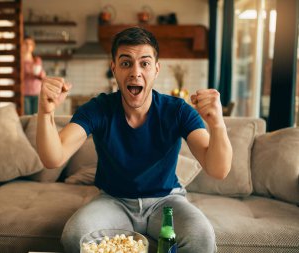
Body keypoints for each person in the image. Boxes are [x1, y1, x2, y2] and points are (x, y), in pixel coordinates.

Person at [36, 27, 232, 253]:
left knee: (202, 238)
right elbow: (53, 157)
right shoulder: (98, 109)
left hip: (166, 202)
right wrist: (45, 112)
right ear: (114, 69)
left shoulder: (177, 110)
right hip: (113, 201)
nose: (135, 72)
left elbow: (219, 169)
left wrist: (217, 124)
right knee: (75, 236)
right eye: (126, 63)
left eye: (145, 63)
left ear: (156, 69)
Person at [23, 36, 45, 115]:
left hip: (36, 92)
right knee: (27, 116)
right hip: (25, 93)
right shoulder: (20, 61)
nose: (28, 46)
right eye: (26, 44)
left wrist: (39, 74)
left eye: (30, 44)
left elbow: (42, 76)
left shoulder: (37, 60)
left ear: (33, 47)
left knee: (36, 117)